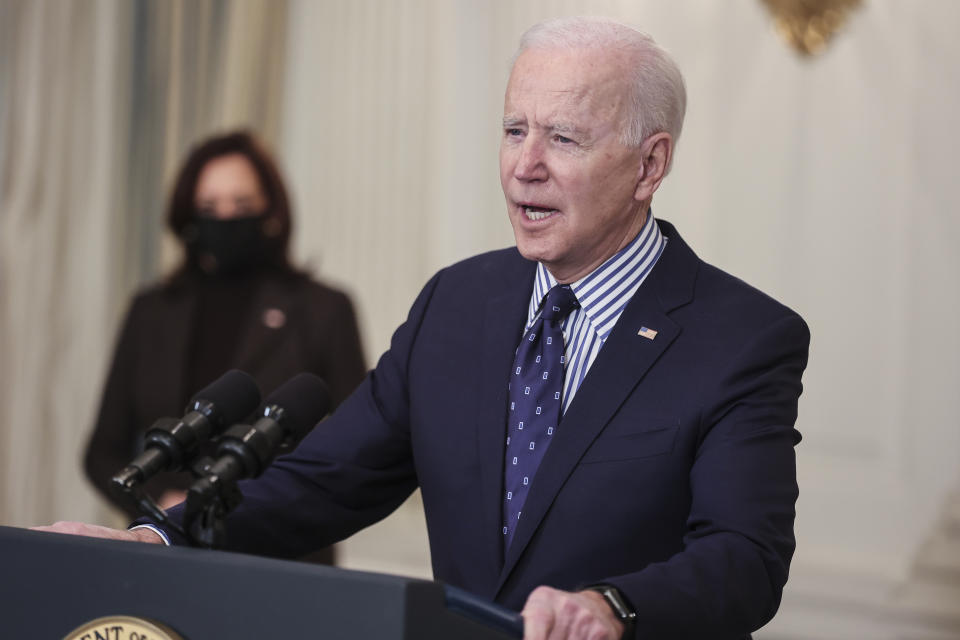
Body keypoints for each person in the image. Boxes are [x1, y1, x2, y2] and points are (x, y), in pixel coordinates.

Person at [43, 18, 809, 640]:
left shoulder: (741, 339)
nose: (524, 166)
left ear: (649, 166)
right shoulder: (458, 303)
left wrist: (611, 606)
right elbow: (325, 481)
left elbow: (744, 558)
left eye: (563, 139)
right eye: (515, 130)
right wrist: (163, 540)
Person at [82, 131, 367, 564]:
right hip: (164, 555)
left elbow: (357, 447)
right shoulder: (151, 310)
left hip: (283, 560)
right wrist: (167, 500)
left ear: (271, 211)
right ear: (189, 216)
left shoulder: (323, 309)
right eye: (210, 208)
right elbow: (103, 451)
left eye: (242, 206)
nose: (226, 219)